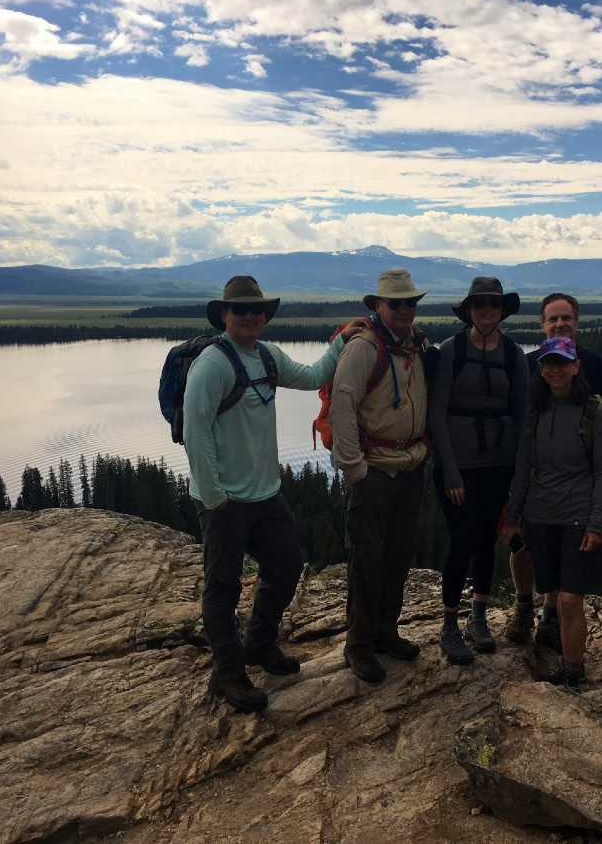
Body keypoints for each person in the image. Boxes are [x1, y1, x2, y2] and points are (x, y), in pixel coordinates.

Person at [184, 275, 365, 713]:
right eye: (241, 311)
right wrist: (214, 497)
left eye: (256, 310)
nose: (250, 317)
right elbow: (195, 432)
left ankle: (259, 644)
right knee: (222, 588)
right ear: (224, 315)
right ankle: (228, 674)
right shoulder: (212, 364)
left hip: (265, 495)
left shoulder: (266, 356)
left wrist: (343, 340)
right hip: (225, 500)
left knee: (286, 565)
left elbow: (314, 375)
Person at [330, 268, 430, 684]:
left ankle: (386, 631)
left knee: (398, 555)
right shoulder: (363, 348)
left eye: (410, 303)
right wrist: (354, 468)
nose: (405, 309)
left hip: (409, 468)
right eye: (396, 303)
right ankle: (359, 644)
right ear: (379, 307)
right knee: (367, 559)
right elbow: (343, 403)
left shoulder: (415, 347)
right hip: (372, 472)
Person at [500, 337, 602, 689]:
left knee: (568, 599)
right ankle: (566, 663)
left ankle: (574, 669)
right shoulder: (536, 411)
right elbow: (523, 468)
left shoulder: (594, 412)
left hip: (578, 518)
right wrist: (514, 517)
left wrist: (597, 522)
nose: (555, 370)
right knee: (550, 591)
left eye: (562, 362)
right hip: (540, 516)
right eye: (549, 363)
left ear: (575, 366)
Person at [428, 277, 527, 664]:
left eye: (493, 304)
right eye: (480, 304)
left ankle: (479, 617)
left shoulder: (513, 354)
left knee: (487, 540)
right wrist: (449, 470)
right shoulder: (451, 350)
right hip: (459, 465)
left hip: (499, 464)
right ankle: (450, 623)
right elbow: (437, 413)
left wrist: (519, 471)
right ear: (469, 309)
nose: (487, 310)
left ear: (502, 311)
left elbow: (520, 415)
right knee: (461, 539)